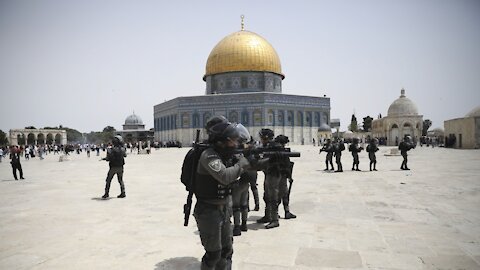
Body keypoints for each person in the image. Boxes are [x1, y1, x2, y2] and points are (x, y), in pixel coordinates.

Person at [193, 118, 251, 270]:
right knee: (213, 254)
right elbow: (225, 176)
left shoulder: (227, 154)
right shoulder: (209, 155)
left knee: (227, 250)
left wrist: (263, 159)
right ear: (221, 141)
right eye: (233, 140)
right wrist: (243, 162)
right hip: (208, 211)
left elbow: (249, 166)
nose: (236, 144)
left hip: (225, 209)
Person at [256, 128, 283, 229]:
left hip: (274, 174)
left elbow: (269, 159)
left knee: (272, 197)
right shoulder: (268, 146)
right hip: (268, 174)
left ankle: (275, 219)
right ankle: (268, 216)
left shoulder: (274, 146)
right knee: (266, 195)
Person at [275, 135, 297, 220]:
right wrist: (289, 176)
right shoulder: (282, 152)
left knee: (283, 194)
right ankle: (278, 213)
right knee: (281, 195)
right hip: (281, 176)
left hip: (279, 176)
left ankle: (286, 212)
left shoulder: (277, 151)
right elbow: (287, 165)